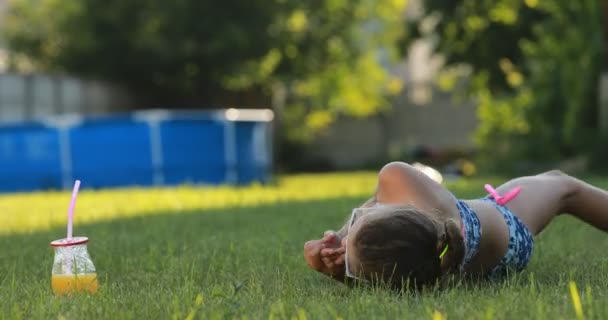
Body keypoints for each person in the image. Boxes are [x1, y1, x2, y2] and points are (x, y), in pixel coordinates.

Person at [303, 162, 608, 290]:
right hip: (507, 226)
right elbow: (383, 194)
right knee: (562, 185)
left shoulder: (417, 269)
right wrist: (342, 236)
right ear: (402, 213)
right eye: (362, 218)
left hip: (494, 260)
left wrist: (342, 269)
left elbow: (382, 267)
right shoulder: (398, 178)